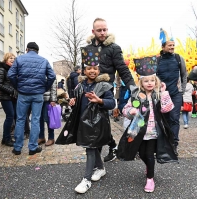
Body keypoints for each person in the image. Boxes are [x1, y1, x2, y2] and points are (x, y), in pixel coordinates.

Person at [56, 65, 115, 194]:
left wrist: (100, 100)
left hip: (97, 123)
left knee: (90, 148)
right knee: (91, 147)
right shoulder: (80, 86)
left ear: (99, 71)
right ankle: (100, 168)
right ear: (84, 71)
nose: (92, 71)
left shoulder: (104, 85)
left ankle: (86, 180)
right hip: (84, 122)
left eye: (95, 68)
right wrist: (72, 102)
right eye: (89, 68)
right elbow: (77, 101)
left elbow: (112, 103)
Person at [82, 18, 136, 162]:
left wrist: (133, 87)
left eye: (105, 29)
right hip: (90, 89)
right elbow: (84, 70)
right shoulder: (87, 49)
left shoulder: (114, 48)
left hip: (105, 89)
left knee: (100, 122)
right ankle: (112, 146)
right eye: (99, 30)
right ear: (93, 31)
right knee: (95, 123)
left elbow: (122, 69)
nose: (102, 32)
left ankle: (94, 161)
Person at [120, 72, 178, 193]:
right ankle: (149, 166)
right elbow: (125, 109)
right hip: (139, 130)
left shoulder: (158, 94)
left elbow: (167, 108)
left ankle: (150, 178)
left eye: (152, 80)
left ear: (156, 81)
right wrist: (132, 111)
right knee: (141, 154)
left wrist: (164, 92)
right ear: (141, 83)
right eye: (146, 81)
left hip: (153, 131)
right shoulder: (136, 95)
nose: (149, 83)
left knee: (150, 155)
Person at [8, 42, 56, 155]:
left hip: (23, 93)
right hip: (38, 94)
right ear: (37, 51)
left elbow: (11, 75)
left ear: (27, 49)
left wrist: (18, 86)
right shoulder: (43, 60)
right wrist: (44, 87)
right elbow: (52, 76)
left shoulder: (19, 59)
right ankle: (33, 147)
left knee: (20, 119)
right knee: (35, 120)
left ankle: (18, 147)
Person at [156, 31, 187, 155]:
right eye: (170, 45)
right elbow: (154, 77)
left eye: (173, 45)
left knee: (174, 118)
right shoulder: (157, 60)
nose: (172, 47)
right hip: (162, 95)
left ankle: (174, 143)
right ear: (163, 47)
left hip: (175, 94)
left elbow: (184, 75)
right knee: (165, 119)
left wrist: (182, 91)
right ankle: (166, 141)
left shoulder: (179, 59)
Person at [0, 53, 17, 147]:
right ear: (6, 59)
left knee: (12, 117)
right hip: (5, 97)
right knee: (10, 116)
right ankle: (7, 139)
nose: (13, 60)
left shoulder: (13, 69)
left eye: (14, 58)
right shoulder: (2, 69)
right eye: (10, 58)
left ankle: (6, 138)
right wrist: (11, 91)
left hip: (12, 97)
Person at [38, 79, 57, 146]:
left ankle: (51, 138)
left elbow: (53, 86)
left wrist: (53, 99)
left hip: (48, 100)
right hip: (38, 98)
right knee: (39, 119)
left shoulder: (48, 71)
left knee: (48, 119)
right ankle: (41, 137)